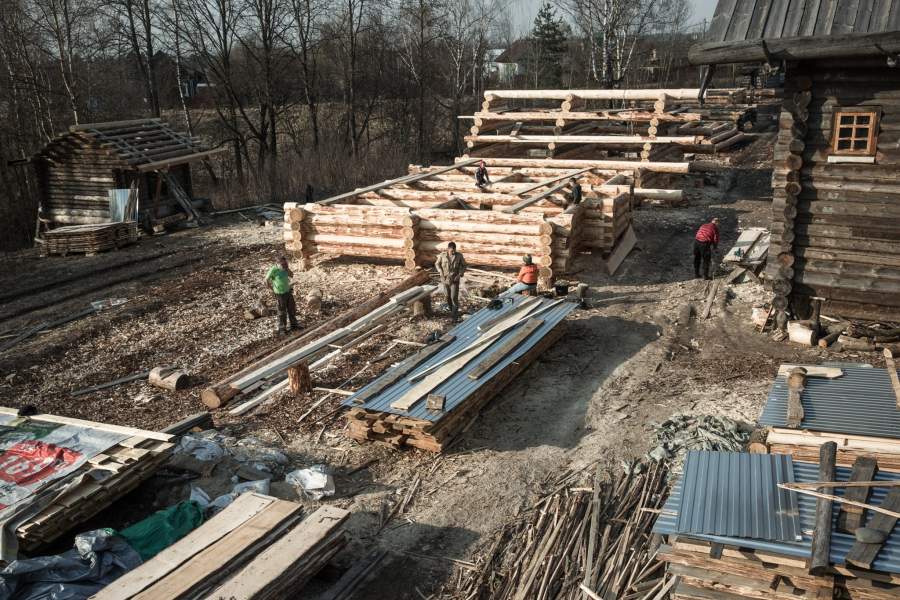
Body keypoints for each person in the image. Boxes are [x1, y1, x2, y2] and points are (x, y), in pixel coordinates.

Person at [265, 255, 299, 334]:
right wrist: (272, 289)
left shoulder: (285, 268)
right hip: (279, 294)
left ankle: (294, 325)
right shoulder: (273, 270)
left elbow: (291, 275)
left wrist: (287, 269)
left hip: (288, 291)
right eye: (282, 264)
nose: (284, 265)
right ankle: (282, 329)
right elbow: (266, 280)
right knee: (282, 312)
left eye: (286, 263)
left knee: (291, 309)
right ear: (277, 264)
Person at [435, 241, 467, 321]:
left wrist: (459, 275)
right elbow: (437, 264)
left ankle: (454, 316)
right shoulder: (442, 255)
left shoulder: (459, 256)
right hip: (445, 279)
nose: (453, 252)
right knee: (447, 296)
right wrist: (440, 271)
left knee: (454, 297)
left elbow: (464, 266)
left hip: (454, 279)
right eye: (451, 251)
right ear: (448, 249)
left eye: (454, 251)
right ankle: (451, 311)